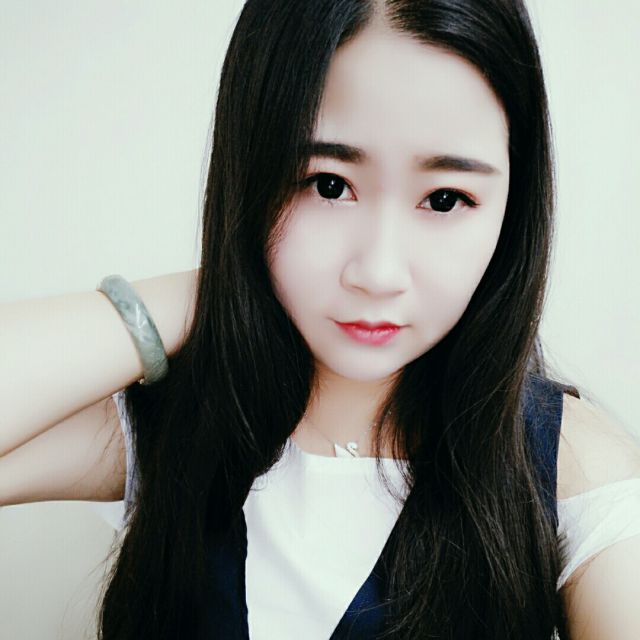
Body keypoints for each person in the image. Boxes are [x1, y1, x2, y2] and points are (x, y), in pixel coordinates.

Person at [2, 1, 640, 638]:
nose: (378, 272)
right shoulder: (180, 421)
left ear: (512, 207)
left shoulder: (570, 469)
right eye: (328, 185)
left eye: (446, 199)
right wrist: (215, 287)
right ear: (250, 173)